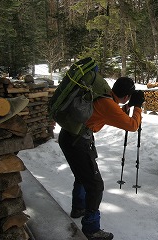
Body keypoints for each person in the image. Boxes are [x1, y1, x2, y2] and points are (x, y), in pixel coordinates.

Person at [58, 77, 144, 240]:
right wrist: (138, 107)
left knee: (83, 176)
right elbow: (133, 125)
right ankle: (91, 228)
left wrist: (129, 107)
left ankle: (79, 208)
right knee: (96, 185)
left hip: (71, 137)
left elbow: (113, 113)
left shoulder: (104, 96)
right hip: (77, 142)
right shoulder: (108, 104)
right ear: (127, 96)